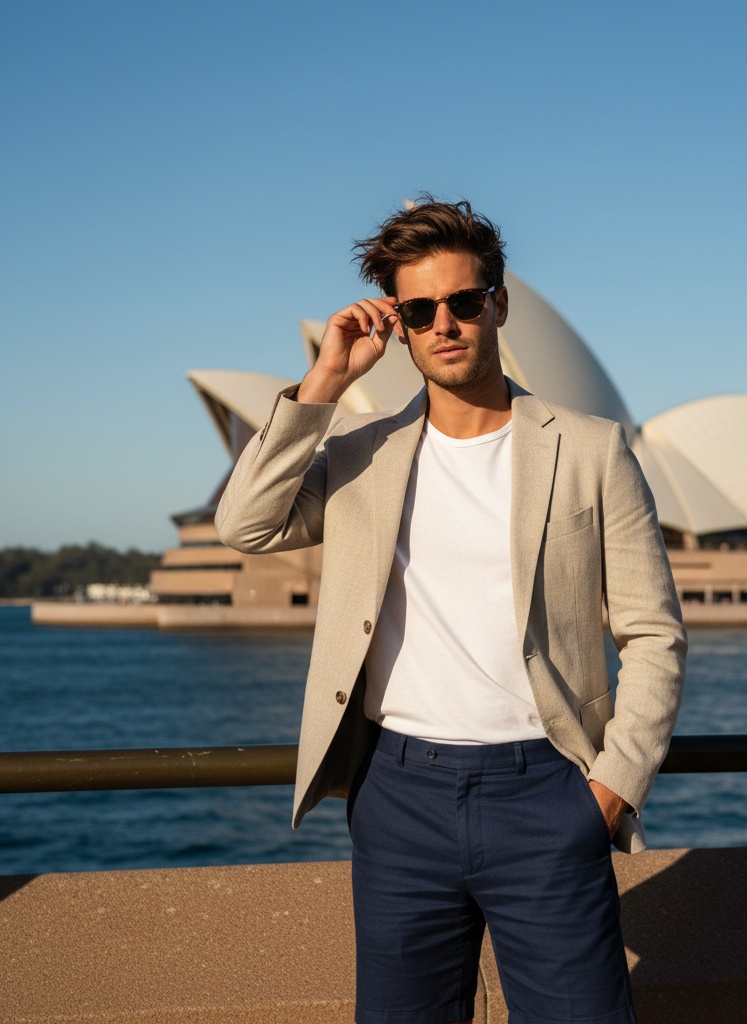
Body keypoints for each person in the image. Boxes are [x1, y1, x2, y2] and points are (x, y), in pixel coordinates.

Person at [216, 198, 687, 1024]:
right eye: (422, 310)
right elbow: (245, 522)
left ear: (497, 304)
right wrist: (325, 381)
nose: (446, 324)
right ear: (399, 327)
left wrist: (611, 789)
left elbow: (654, 636)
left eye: (464, 302)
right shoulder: (361, 457)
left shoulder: (591, 448)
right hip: (399, 797)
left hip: (547, 790)